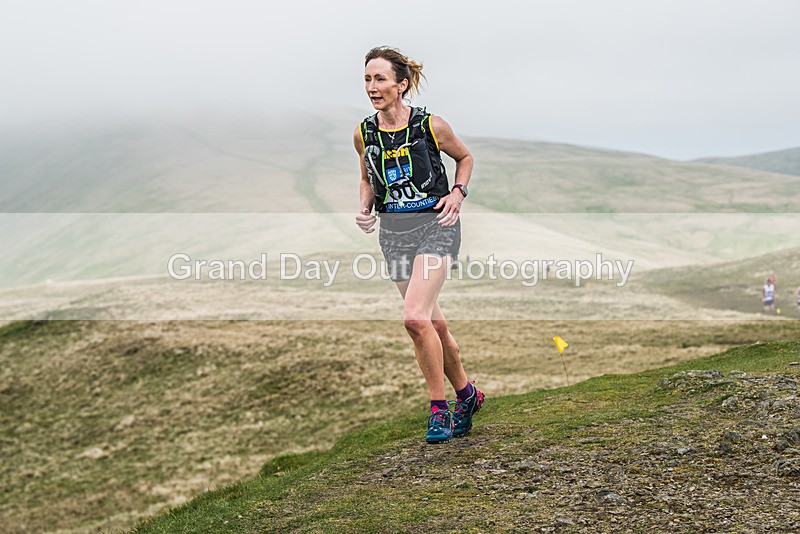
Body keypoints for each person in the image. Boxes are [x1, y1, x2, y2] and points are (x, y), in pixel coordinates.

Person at [353, 46, 484, 444]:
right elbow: (367, 178)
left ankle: (438, 409)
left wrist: (458, 193)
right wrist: (365, 208)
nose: (372, 87)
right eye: (367, 79)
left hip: (436, 226)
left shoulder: (431, 126)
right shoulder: (364, 133)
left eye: (380, 79)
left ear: (402, 84)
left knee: (414, 319)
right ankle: (468, 394)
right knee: (433, 324)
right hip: (393, 234)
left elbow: (465, 158)